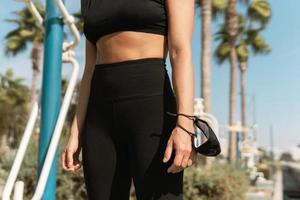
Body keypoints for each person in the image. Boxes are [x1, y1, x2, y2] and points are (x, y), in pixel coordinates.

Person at [61, 0, 197, 199]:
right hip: (99, 116)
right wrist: (76, 130)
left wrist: (185, 124)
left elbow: (180, 51)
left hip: (152, 110)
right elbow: (90, 69)